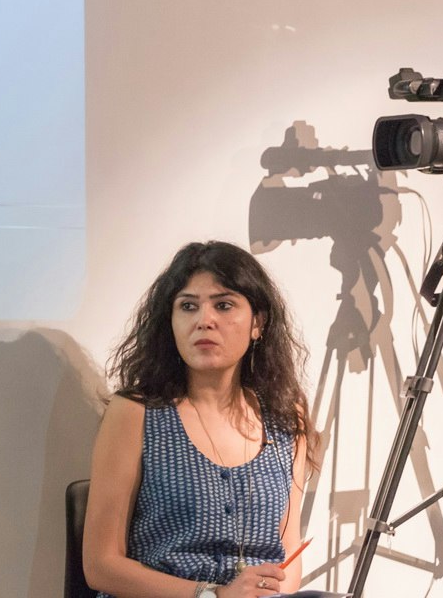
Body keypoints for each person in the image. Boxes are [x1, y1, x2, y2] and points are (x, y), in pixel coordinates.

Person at [84, 241, 320, 598]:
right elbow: (101, 566)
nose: (204, 321)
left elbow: (288, 551)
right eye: (188, 306)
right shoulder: (135, 412)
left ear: (258, 323)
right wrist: (212, 595)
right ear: (171, 322)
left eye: (224, 305)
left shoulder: (286, 417)